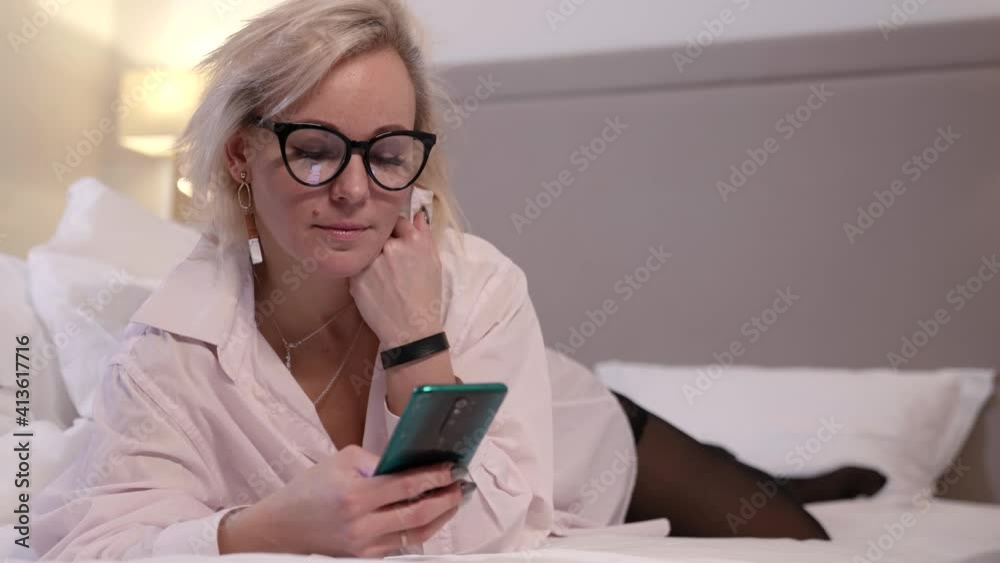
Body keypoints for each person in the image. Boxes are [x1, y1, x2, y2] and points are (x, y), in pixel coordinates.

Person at [34, 0, 883, 559]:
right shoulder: (173, 346)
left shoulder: (477, 284)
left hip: (575, 432)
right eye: (315, 149)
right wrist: (259, 529)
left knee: (796, 531)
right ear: (239, 155)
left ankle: (796, 475)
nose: (355, 190)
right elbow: (82, 541)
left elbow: (491, 525)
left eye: (387, 153)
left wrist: (417, 339)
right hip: (526, 442)